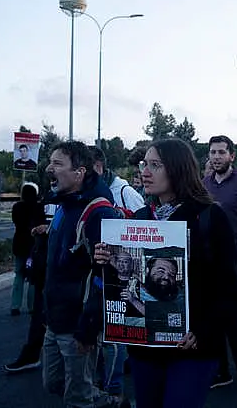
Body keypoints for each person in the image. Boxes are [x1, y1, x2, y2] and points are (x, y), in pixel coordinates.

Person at [94, 138, 237, 407]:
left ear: (177, 169)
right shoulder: (139, 218)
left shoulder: (209, 217)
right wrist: (105, 260)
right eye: (144, 164)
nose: (145, 172)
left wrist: (202, 331)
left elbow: (230, 288)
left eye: (155, 165)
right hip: (145, 350)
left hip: (192, 349)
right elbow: (124, 278)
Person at [41, 141, 121, 408]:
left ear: (79, 173)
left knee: (77, 399)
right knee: (53, 383)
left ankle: (100, 400)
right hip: (55, 318)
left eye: (58, 163)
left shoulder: (99, 213)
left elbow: (107, 276)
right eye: (50, 161)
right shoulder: (64, 205)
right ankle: (106, 401)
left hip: (78, 324)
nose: (49, 168)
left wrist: (89, 328)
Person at [203, 135, 237, 391]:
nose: (216, 157)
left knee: (231, 320)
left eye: (221, 152)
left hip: (233, 261)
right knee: (212, 318)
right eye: (213, 152)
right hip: (208, 263)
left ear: (231, 156)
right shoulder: (204, 184)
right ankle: (221, 371)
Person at [89, 146, 144, 405]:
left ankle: (115, 388)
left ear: (98, 167)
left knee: (116, 335)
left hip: (124, 275)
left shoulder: (124, 192)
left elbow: (147, 229)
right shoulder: (86, 195)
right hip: (100, 276)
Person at [4, 201, 49, 373]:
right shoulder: (49, 198)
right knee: (39, 314)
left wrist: (49, 228)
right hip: (41, 263)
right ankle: (32, 354)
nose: (51, 172)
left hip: (64, 273)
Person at [10, 182, 44, 315]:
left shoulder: (17, 207)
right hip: (33, 245)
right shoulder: (39, 207)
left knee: (18, 274)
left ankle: (15, 305)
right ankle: (31, 306)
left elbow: (15, 222)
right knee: (32, 278)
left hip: (19, 244)